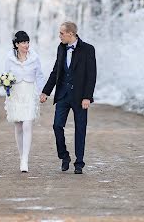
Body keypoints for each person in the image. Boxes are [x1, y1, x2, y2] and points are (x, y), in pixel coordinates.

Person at [40, 21, 97, 174]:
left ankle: (79, 163)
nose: (59, 36)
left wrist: (87, 97)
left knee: (80, 129)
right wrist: (46, 91)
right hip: (63, 95)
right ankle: (64, 156)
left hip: (80, 97)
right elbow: (55, 71)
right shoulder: (61, 48)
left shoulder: (88, 49)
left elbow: (91, 75)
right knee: (57, 126)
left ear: (71, 34)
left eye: (61, 33)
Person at [4, 30, 44, 173]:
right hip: (15, 94)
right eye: (23, 42)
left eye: (27, 42)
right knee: (19, 126)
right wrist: (5, 84)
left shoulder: (34, 57)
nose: (26, 45)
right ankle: (21, 156)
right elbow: (6, 75)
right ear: (16, 44)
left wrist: (42, 92)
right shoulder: (9, 58)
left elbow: (39, 76)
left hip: (29, 93)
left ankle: (25, 159)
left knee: (27, 124)